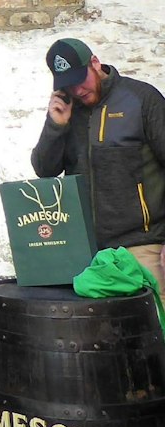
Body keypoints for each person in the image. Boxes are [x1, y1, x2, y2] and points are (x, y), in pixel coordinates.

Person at [31, 38, 165, 291]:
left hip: (143, 248)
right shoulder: (68, 111)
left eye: (81, 79)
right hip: (86, 253)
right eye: (68, 85)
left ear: (95, 63)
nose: (77, 90)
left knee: (153, 328)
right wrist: (55, 126)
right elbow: (44, 170)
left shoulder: (142, 99)